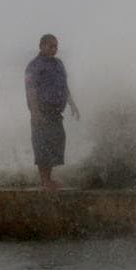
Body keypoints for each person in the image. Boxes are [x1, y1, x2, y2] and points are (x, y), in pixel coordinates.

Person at [25, 34, 80, 190]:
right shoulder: (34, 65)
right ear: (41, 46)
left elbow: (64, 85)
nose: (54, 49)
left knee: (56, 142)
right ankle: (45, 180)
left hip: (56, 112)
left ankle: (48, 179)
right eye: (51, 46)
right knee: (43, 144)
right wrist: (34, 112)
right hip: (42, 111)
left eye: (56, 46)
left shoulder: (58, 64)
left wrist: (72, 104)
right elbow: (31, 90)